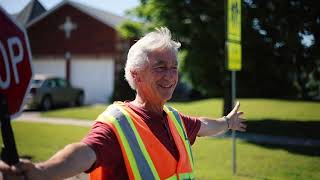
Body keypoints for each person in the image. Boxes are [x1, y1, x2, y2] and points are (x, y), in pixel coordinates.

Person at [0, 27, 246, 180]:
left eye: (174, 68)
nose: (170, 76)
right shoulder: (119, 122)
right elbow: (84, 152)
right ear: (136, 75)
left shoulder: (173, 118)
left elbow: (203, 125)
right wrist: (43, 172)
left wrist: (227, 122)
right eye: (160, 67)